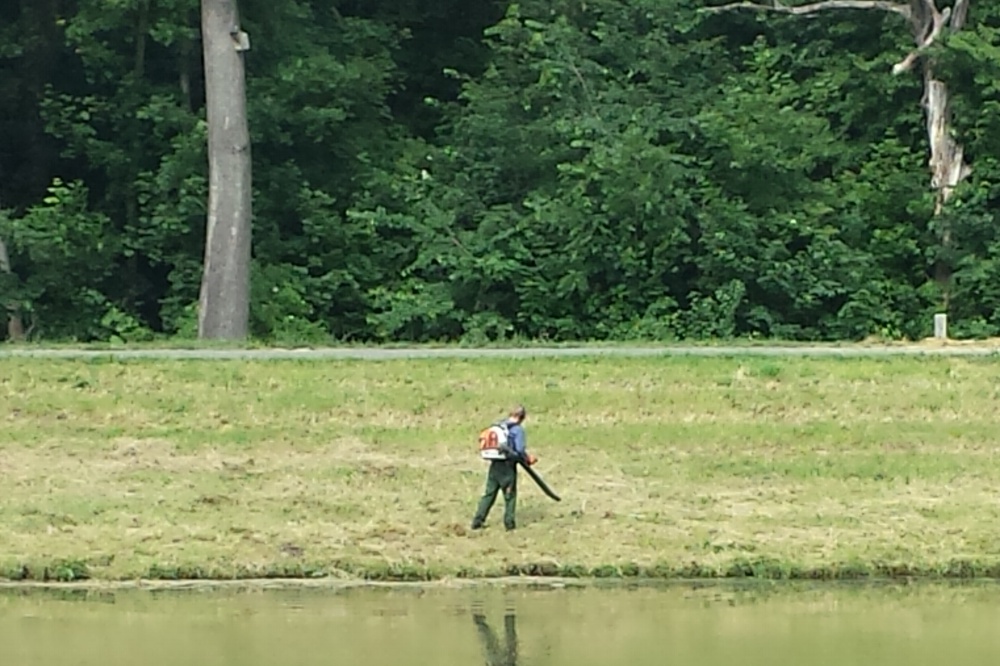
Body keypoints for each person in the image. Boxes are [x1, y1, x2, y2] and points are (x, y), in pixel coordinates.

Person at [471, 405, 536, 531]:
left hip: (495, 464)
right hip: (507, 466)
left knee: (489, 494)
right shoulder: (517, 430)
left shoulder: (499, 425)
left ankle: (477, 521)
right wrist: (527, 458)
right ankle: (509, 524)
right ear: (521, 417)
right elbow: (519, 450)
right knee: (510, 495)